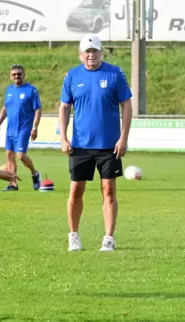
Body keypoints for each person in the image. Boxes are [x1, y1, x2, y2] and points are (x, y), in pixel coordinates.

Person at [59, 34, 133, 252]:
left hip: (109, 144)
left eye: (95, 51)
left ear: (101, 53)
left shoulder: (115, 73)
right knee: (75, 191)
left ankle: (108, 238)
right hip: (80, 144)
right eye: (87, 52)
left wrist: (124, 137)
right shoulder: (72, 76)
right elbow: (64, 107)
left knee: (108, 190)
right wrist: (63, 137)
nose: (91, 55)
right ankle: (74, 235)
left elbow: (126, 105)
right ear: (81, 55)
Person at [0, 64, 42, 191]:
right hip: (11, 129)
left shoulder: (31, 90)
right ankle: (13, 183)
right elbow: (5, 108)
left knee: (20, 155)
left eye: (19, 74)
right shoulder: (9, 90)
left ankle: (35, 173)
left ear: (24, 75)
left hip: (24, 128)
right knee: (9, 155)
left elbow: (37, 109)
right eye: (14, 74)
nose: (17, 76)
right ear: (11, 76)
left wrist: (35, 127)